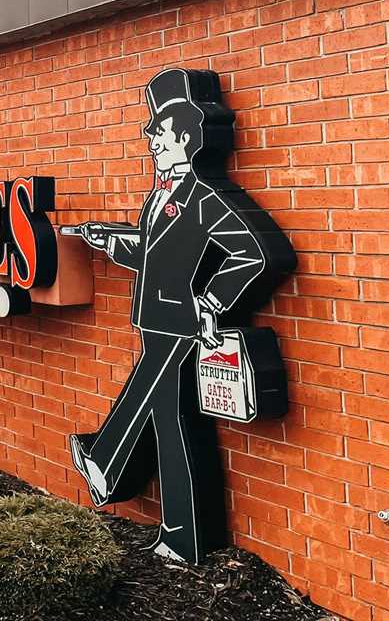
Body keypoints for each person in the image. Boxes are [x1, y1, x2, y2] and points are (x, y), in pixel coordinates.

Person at [67, 68, 294, 564]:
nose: (149, 138)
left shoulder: (207, 196)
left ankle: (110, 466)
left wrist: (212, 301)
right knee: (174, 425)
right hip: (159, 320)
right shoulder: (163, 195)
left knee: (159, 404)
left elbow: (259, 254)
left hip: (182, 325)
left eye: (159, 130)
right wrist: (112, 242)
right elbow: (158, 255)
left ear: (188, 137)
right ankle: (180, 533)